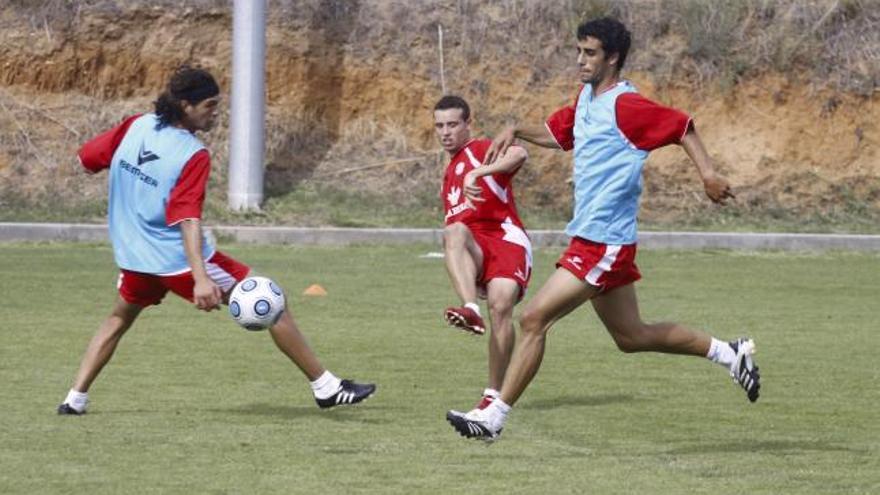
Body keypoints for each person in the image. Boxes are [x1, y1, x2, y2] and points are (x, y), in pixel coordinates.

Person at [446, 18, 760, 442]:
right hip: (591, 238)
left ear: (612, 57)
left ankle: (493, 417)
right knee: (631, 336)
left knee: (534, 317)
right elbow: (559, 134)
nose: (580, 60)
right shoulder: (587, 99)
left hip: (604, 243)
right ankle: (730, 353)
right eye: (578, 51)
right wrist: (516, 128)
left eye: (589, 53)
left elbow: (682, 126)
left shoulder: (626, 106)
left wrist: (708, 174)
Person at [57, 67, 375, 415]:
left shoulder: (136, 125)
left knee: (119, 319)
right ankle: (325, 387)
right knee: (271, 297)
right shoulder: (192, 152)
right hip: (176, 260)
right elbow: (188, 219)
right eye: (209, 105)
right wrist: (201, 279)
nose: (215, 113)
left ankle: (75, 399)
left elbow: (86, 159)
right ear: (185, 105)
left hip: (134, 259)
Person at [434, 95, 532, 411]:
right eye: (439, 126)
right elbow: (456, 237)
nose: (445, 132)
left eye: (452, 124)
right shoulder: (448, 176)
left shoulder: (479, 150)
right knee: (453, 231)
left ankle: (493, 394)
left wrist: (479, 173)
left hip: (505, 238)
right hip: (476, 246)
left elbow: (519, 152)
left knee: (502, 305)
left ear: (467, 125)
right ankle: (470, 308)